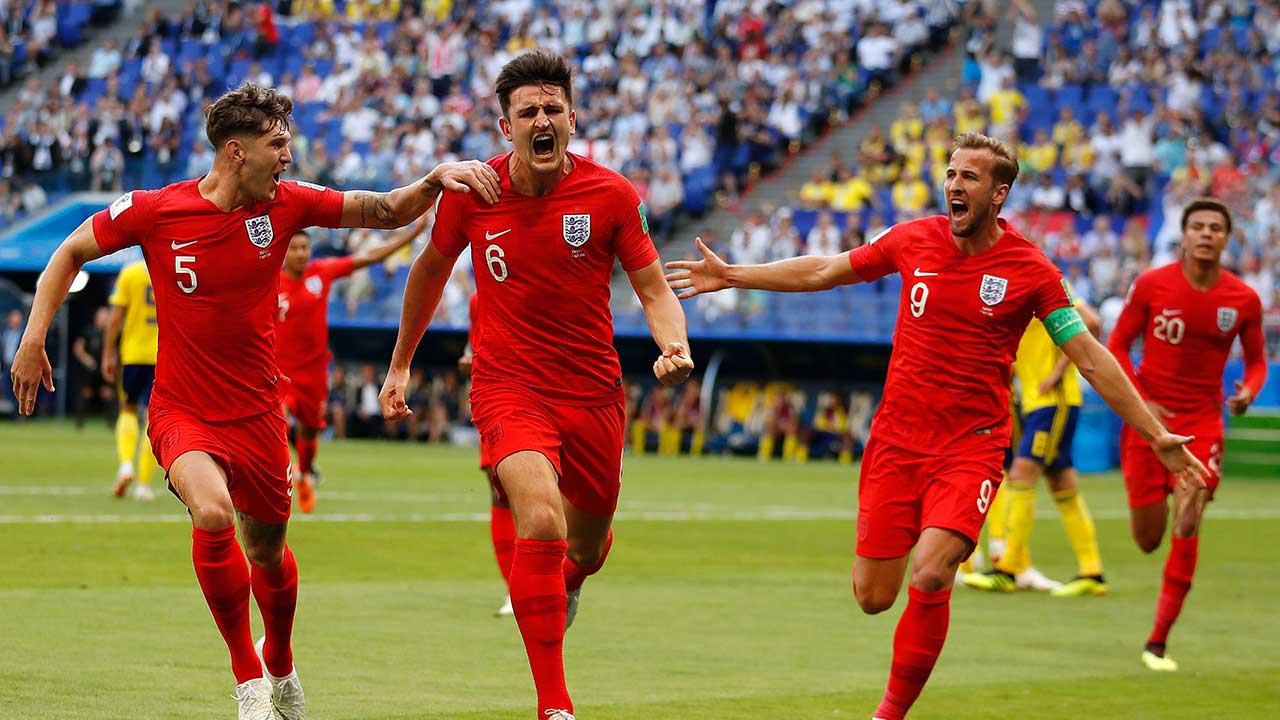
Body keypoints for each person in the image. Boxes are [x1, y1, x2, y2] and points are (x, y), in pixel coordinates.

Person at [666, 131, 1206, 720]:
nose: (954, 185)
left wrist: (1156, 435)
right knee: (873, 596)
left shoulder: (1032, 271)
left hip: (971, 447)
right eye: (951, 173)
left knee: (930, 572)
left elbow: (1090, 357)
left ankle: (889, 714)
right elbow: (825, 269)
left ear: (998, 194)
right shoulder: (913, 238)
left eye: (969, 177)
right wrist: (735, 275)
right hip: (896, 442)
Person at [9, 82, 500, 720]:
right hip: (183, 410)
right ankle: (249, 683)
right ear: (236, 152)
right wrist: (33, 337)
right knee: (213, 514)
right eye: (278, 144)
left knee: (267, 551)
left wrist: (433, 180)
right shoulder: (157, 210)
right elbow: (70, 250)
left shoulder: (287, 204)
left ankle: (282, 661)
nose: (288, 156)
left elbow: (383, 209)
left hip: (260, 416)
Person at [379, 51, 693, 720]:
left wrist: (675, 344)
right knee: (542, 520)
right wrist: (401, 362)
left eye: (553, 109)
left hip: (593, 393)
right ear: (507, 126)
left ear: (573, 119)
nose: (542, 120)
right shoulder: (473, 193)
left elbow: (653, 288)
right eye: (528, 112)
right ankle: (555, 704)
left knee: (587, 548)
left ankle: (570, 580)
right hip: (509, 386)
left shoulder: (612, 195)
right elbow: (429, 272)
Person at [1107, 198, 1267, 672]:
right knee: (1147, 539)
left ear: (1227, 238)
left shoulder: (1243, 299)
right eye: (1198, 226)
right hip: (1148, 424)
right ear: (1184, 235)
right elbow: (1117, 345)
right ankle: (1170, 508)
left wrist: (1249, 391)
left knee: (1191, 510)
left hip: (1201, 423)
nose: (1206, 234)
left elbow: (1257, 361)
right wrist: (1141, 404)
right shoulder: (1151, 285)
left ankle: (1157, 642)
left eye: (1215, 227)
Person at [276, 213, 431, 513]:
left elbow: (369, 257)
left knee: (309, 431)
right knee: (277, 424)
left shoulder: (321, 273)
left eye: (304, 248)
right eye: (293, 248)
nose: (300, 253)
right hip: (280, 373)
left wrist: (412, 235)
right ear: (283, 252)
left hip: (313, 373)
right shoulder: (271, 282)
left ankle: (305, 473)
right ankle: (280, 483)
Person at [963, 292, 1109, 596]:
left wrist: (1058, 371)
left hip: (1053, 402)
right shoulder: (1017, 292)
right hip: (1038, 403)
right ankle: (1092, 572)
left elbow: (1092, 322)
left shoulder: (1050, 284)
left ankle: (1008, 569)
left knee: (1020, 475)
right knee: (1063, 484)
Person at [458, 290, 516, 617]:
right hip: (497, 397)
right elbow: (474, 344)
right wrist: (469, 359)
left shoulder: (540, 284)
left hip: (544, 393)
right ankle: (515, 589)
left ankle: (556, 580)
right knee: (500, 490)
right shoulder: (478, 299)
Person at [102, 260, 160, 500]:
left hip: (133, 354)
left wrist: (108, 353)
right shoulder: (167, 270)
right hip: (162, 355)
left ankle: (126, 465)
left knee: (128, 408)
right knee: (153, 417)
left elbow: (115, 318)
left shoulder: (130, 273)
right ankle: (144, 485)